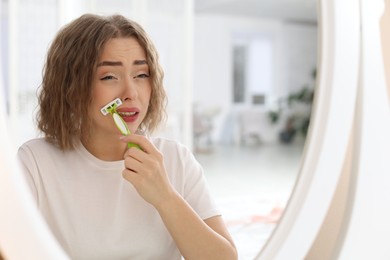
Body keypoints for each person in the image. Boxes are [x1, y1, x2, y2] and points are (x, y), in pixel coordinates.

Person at [17, 14, 237, 260]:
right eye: (109, 77)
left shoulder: (177, 160)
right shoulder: (35, 163)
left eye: (141, 75)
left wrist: (165, 197)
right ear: (71, 87)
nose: (130, 93)